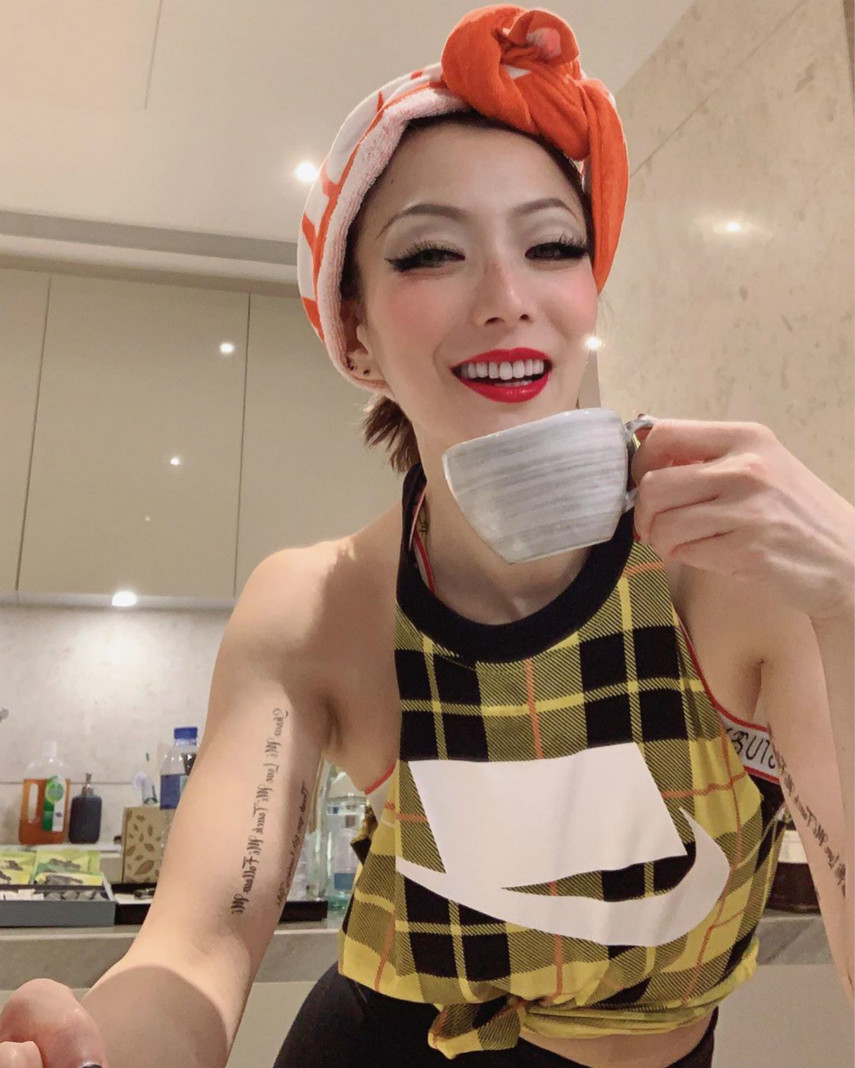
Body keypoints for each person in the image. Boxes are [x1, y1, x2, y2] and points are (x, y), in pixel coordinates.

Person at [1, 6, 851, 1068]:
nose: (507, 298)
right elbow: (197, 947)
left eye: (552, 245)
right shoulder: (316, 608)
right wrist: (85, 1048)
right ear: (353, 335)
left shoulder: (732, 571)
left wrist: (848, 602)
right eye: (432, 253)